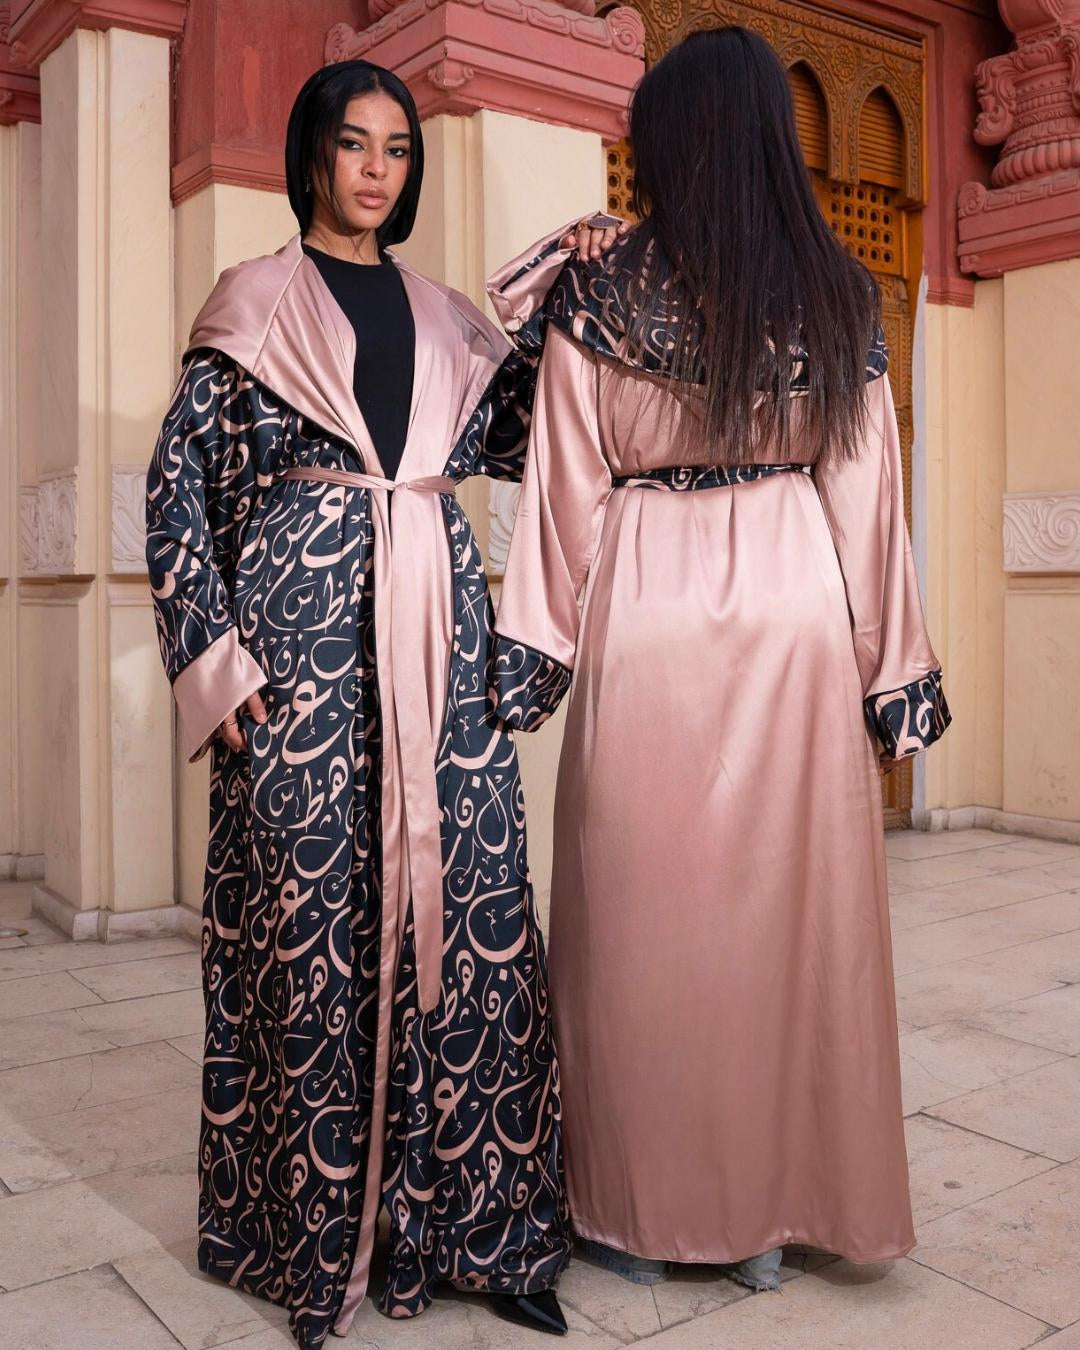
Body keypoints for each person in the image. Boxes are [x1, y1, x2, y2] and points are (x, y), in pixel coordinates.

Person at [145, 57, 622, 1349]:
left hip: (439, 648)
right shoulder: (249, 304)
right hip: (296, 670)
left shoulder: (454, 318)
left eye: (396, 149)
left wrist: (570, 286)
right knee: (311, 933)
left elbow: (531, 432)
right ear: (310, 154)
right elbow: (179, 485)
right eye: (352, 144)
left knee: (472, 916)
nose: (375, 167)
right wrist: (212, 657)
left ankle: (490, 1232)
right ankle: (309, 1244)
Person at [486, 26, 951, 1290]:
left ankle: (631, 1214)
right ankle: (764, 1219)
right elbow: (868, 504)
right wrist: (893, 672)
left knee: (632, 915)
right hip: (795, 609)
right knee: (780, 922)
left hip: (649, 608)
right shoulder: (841, 292)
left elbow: (564, 492)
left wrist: (528, 655)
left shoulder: (600, 289)